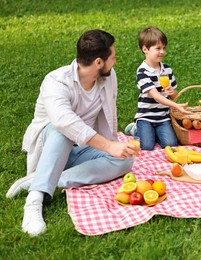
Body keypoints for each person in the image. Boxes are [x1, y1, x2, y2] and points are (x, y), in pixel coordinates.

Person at [6, 30, 139, 236]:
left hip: (82, 148)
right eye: (112, 57)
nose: (115, 61)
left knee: (125, 160)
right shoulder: (56, 81)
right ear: (98, 62)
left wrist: (114, 147)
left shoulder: (108, 77)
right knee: (63, 130)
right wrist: (110, 146)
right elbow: (65, 122)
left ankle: (45, 179)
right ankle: (34, 200)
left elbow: (109, 115)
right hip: (51, 148)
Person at [125, 26, 190, 151]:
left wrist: (172, 92)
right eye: (158, 48)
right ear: (145, 49)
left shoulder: (167, 69)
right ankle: (135, 128)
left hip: (163, 117)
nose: (162, 52)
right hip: (146, 116)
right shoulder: (142, 71)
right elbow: (156, 96)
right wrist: (177, 106)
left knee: (171, 144)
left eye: (164, 48)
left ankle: (153, 133)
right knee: (146, 146)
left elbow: (175, 96)